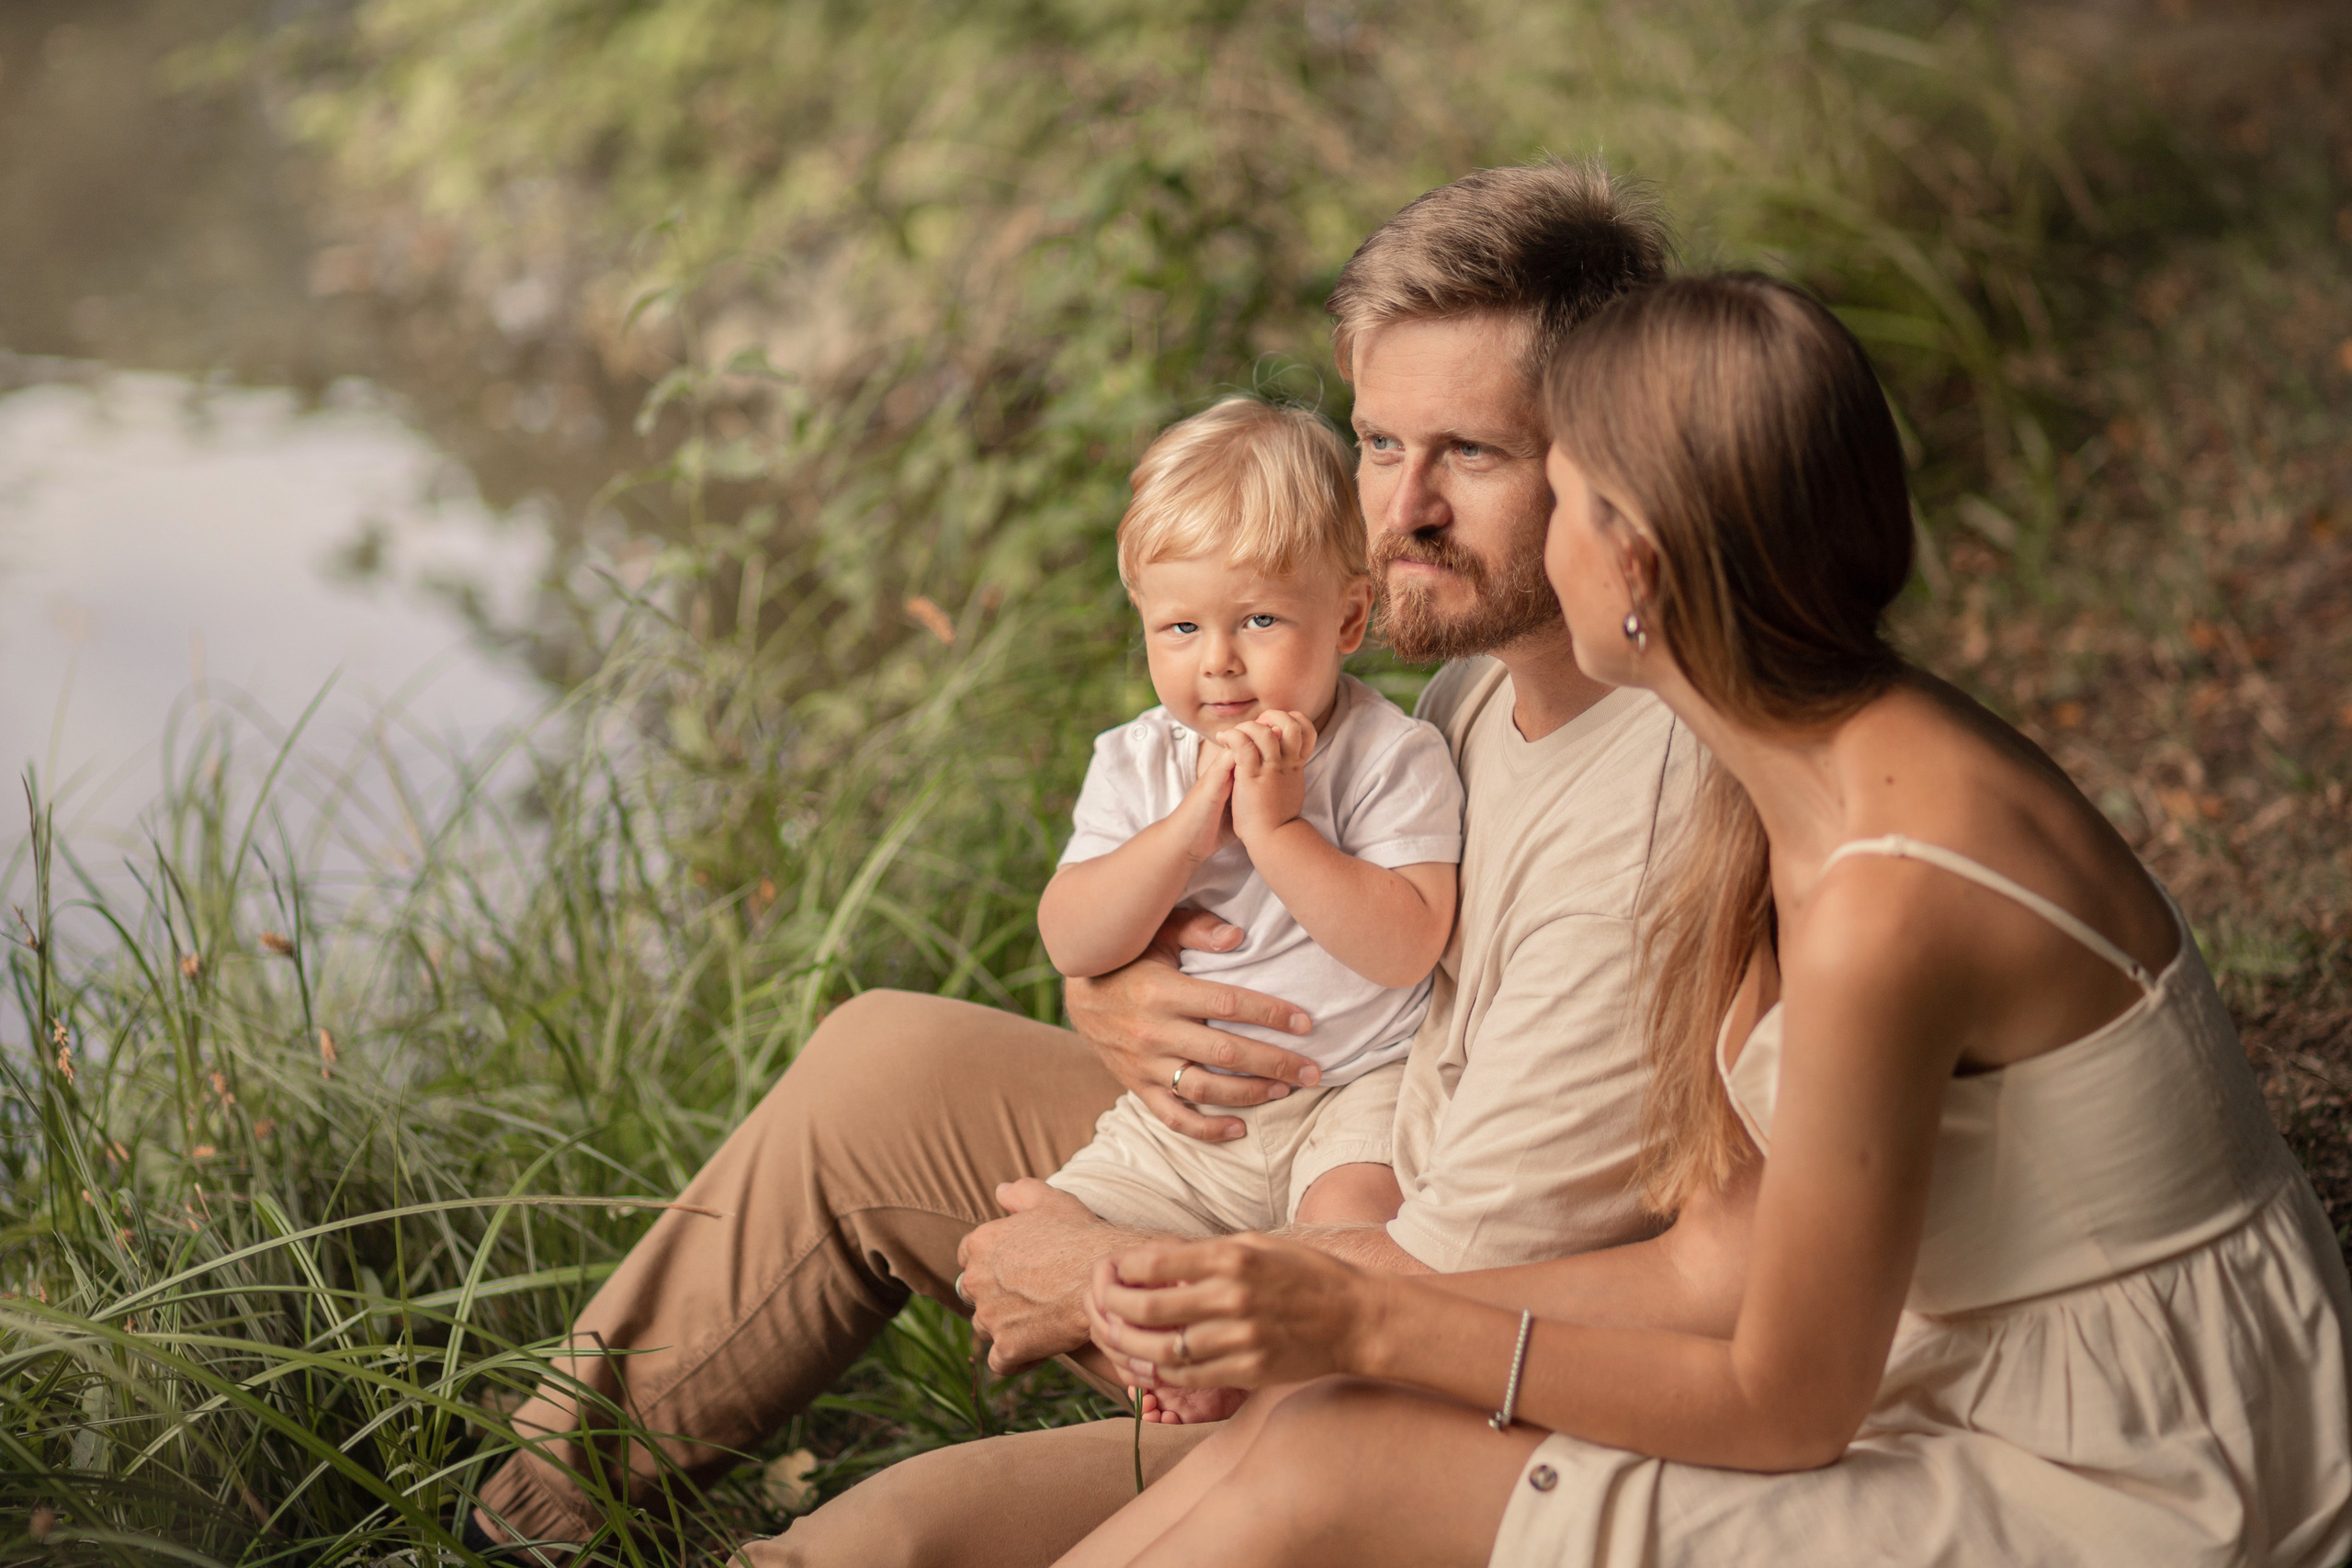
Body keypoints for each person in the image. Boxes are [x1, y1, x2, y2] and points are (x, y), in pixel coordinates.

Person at [466, 158, 1687, 1566]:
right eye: (1376, 441)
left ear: (1609, 462)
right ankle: (530, 1520)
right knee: (879, 1062)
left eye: (1469, 453)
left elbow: (1448, 1312)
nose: (1395, 508)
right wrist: (1115, 1001)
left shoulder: (1643, 825)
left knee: (876, 1544)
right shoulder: (1477, 682)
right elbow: (1254, 920)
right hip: (1270, 1139)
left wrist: (1098, 1276)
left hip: (1399, 1362)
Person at [1062, 274, 2352, 1568]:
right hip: (1975, 1360)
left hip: (2132, 1466)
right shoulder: (1784, 763)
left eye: (1555, 491)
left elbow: (1785, 1402)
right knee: (1316, 1433)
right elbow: (1709, 1263)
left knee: (1335, 1456)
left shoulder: (1881, 889)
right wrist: (1351, 1294)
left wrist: (1367, 1323)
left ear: (1637, 562)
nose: (1417, 515)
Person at [1036, 395, 1464, 1425]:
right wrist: (1187, 832)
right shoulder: (1139, 763)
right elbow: (1071, 936)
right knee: (1056, 1220)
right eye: (1179, 628)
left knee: (1355, 1231)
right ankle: (1176, 1356)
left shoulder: (1390, 757)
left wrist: (1278, 834)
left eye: (1259, 621)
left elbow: (1408, 943)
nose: (1216, 661)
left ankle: (1262, 1378)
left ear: (1349, 621)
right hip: (1189, 1122)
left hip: (1350, 1091)